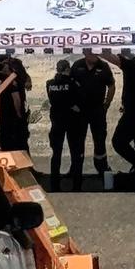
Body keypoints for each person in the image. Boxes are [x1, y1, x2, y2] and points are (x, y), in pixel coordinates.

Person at [69, 50, 114, 174]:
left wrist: (107, 104)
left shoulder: (103, 66)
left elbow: (111, 85)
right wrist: (72, 104)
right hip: (80, 111)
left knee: (99, 139)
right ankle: (75, 169)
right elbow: (70, 84)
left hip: (97, 110)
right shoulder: (77, 66)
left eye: (96, 52)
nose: (95, 55)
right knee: (78, 141)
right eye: (92, 52)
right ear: (85, 53)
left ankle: (102, 168)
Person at [45, 59, 86, 191]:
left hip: (56, 121)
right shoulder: (73, 84)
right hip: (72, 122)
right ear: (68, 69)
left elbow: (54, 100)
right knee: (76, 153)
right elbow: (77, 101)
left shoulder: (50, 84)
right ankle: (77, 185)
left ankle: (54, 185)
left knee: (56, 153)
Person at [0, 55, 29, 151]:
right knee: (13, 142)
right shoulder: (9, 79)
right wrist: (19, 115)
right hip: (9, 115)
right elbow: (16, 98)